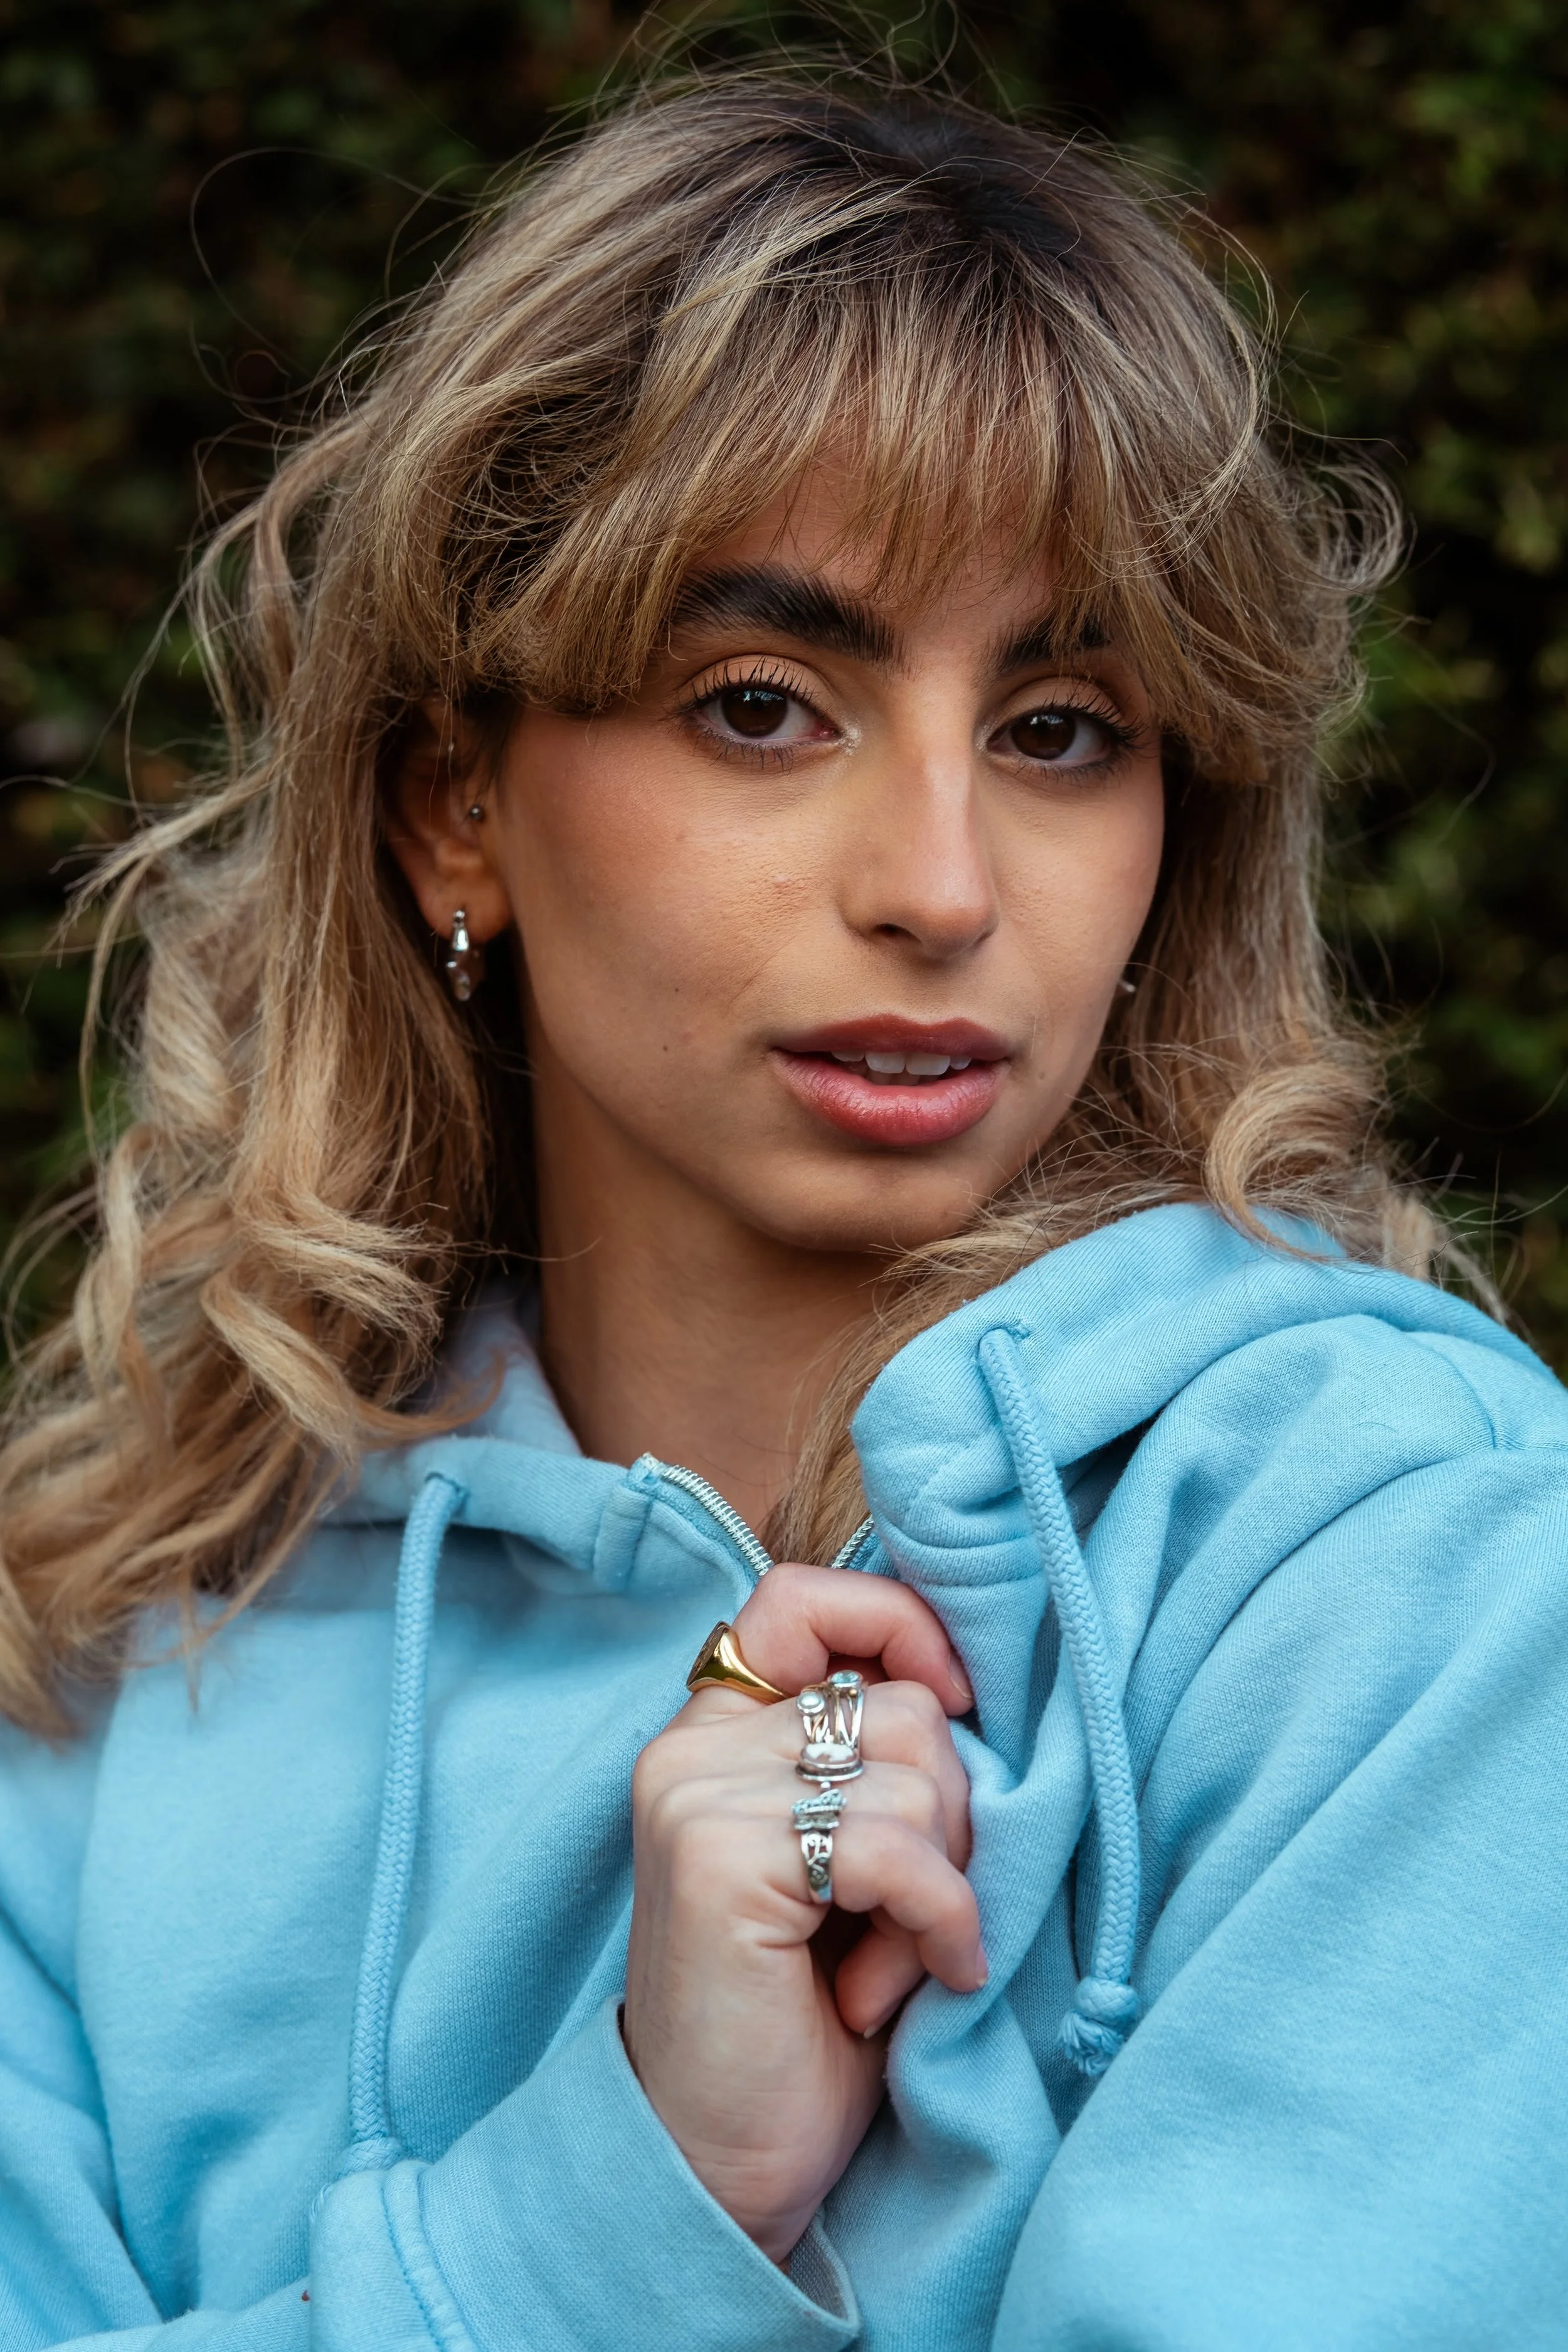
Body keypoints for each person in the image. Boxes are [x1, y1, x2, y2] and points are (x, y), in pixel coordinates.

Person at [2, 63, 1566, 2352]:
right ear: (456, 806)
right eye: (762, 702)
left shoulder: (1409, 1593)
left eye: (1060, 727)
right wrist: (617, 2210)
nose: (940, 886)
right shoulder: (119, 1663)